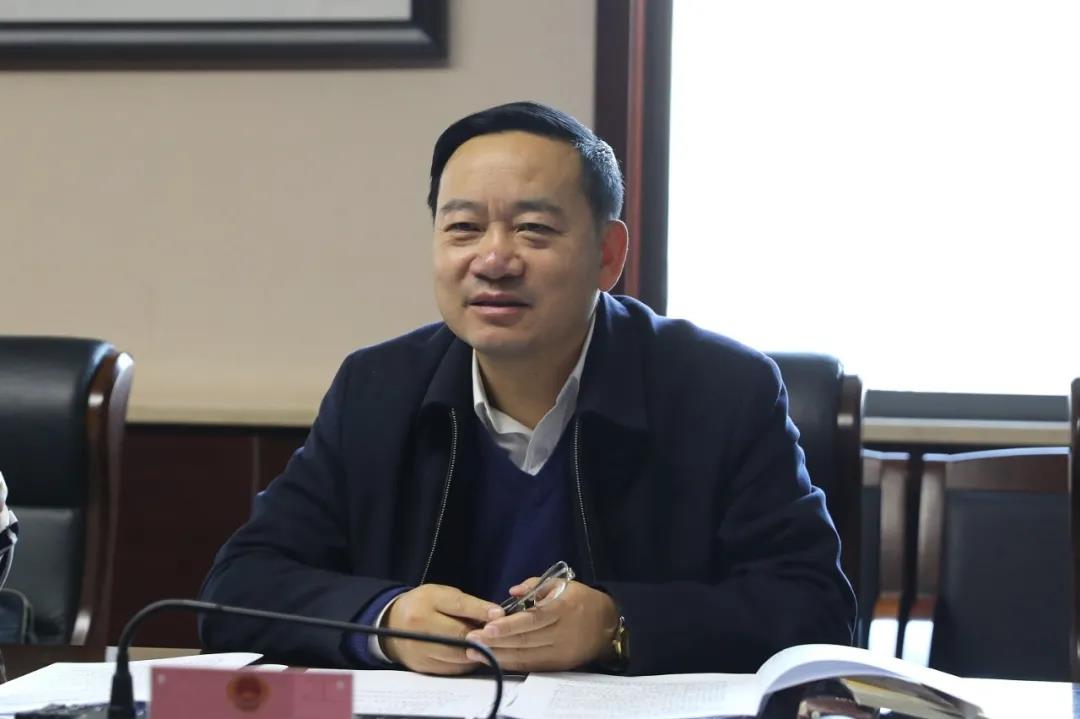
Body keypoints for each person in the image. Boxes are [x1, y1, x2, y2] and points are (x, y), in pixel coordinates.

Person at [199, 101, 856, 676]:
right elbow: (239, 586)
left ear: (608, 254)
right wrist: (384, 619)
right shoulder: (377, 388)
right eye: (463, 228)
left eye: (534, 229)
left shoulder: (721, 390)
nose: (493, 259)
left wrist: (616, 625)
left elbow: (814, 608)